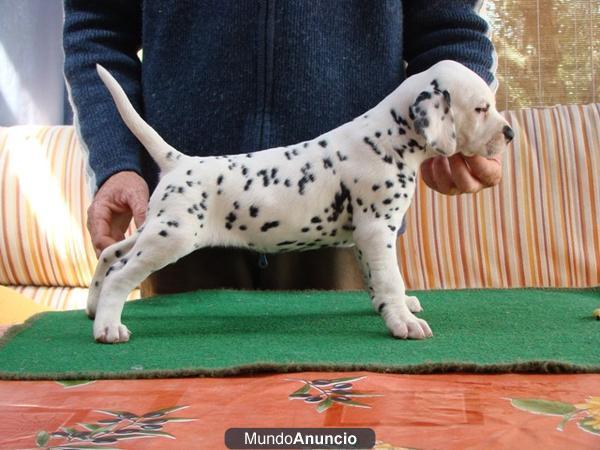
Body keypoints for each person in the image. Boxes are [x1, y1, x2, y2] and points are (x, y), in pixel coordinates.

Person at [63, 0, 502, 294]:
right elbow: (98, 29)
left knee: (340, 424)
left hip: (345, 229)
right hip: (193, 207)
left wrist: (461, 122)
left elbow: (450, 27)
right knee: (184, 421)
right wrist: (117, 162)